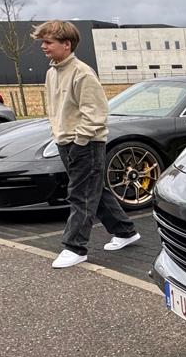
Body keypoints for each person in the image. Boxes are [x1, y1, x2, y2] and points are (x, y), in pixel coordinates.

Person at [33, 19, 138, 268]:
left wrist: (80, 140)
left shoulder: (82, 73)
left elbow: (96, 113)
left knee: (80, 195)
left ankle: (75, 247)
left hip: (86, 144)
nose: (43, 47)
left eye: (48, 42)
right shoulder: (52, 72)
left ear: (66, 44)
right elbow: (56, 109)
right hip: (65, 142)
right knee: (94, 191)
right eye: (43, 42)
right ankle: (125, 231)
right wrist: (58, 134)